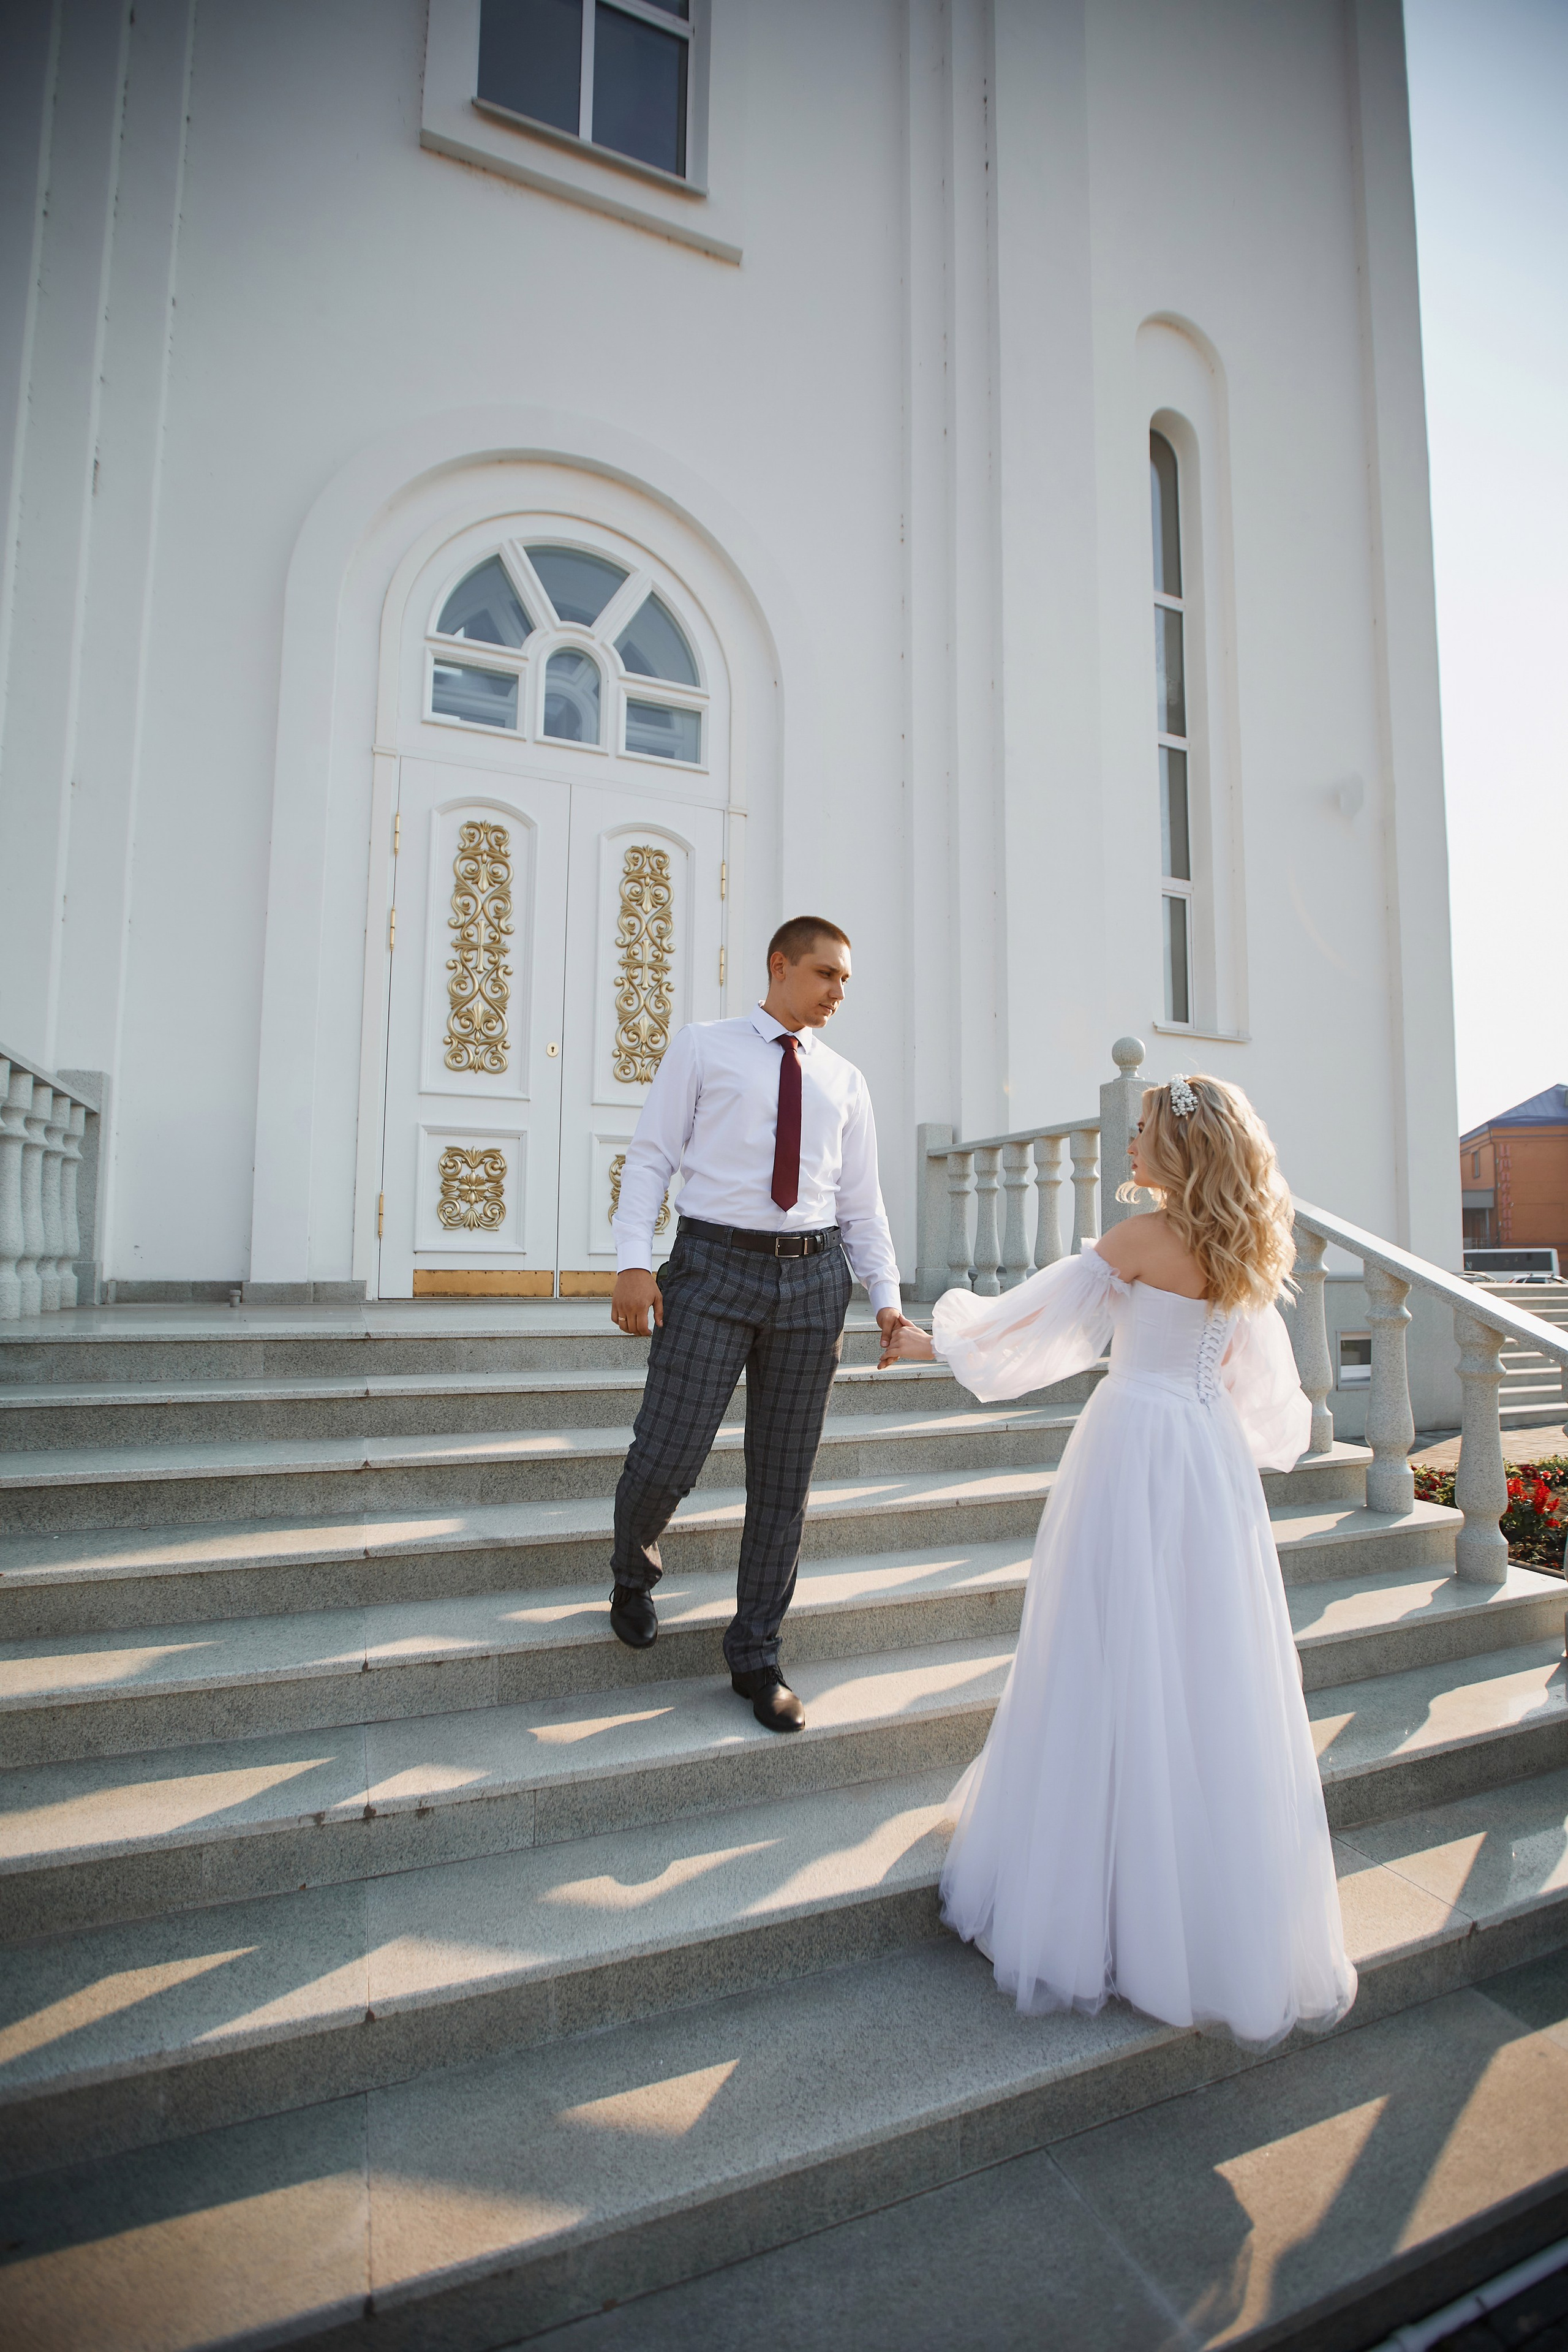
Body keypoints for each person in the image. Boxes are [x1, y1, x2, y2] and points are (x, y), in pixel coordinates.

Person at [878, 1072, 1357, 2048]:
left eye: (1141, 1132)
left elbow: (1035, 1327)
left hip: (1134, 1448)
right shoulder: (1244, 1246)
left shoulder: (1141, 1239)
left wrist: (937, 1345)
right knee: (1200, 1660)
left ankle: (1090, 1892)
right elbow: (1260, 1390)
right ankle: (1197, 1903)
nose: (1129, 1146)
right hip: (1206, 1455)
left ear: (1180, 1150)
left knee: (1101, 1643)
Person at [608, 918, 910, 1732]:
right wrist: (634, 1260)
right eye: (825, 974)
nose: (839, 991)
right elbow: (650, 1157)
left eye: (845, 978)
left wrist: (884, 1292)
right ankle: (632, 1570)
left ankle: (757, 1655)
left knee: (784, 1482)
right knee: (669, 1453)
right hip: (711, 1270)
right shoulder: (705, 1048)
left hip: (814, 1284)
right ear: (780, 967)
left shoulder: (846, 1080)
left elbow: (862, 1200)